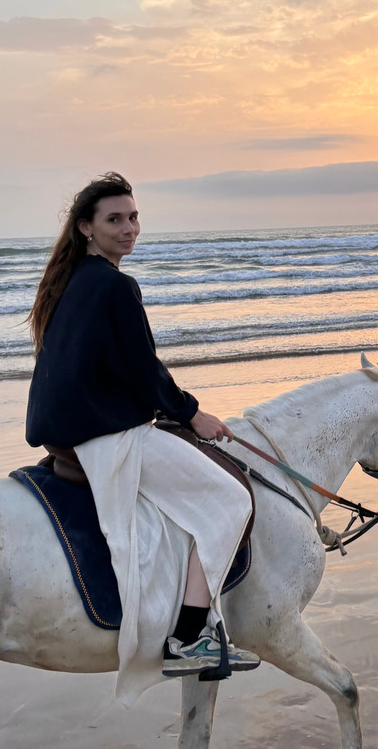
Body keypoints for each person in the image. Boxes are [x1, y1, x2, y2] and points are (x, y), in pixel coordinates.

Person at [25, 172, 259, 686]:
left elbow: (110, 368)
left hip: (65, 429)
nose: (129, 228)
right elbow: (143, 368)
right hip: (104, 435)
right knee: (232, 501)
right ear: (86, 227)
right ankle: (188, 638)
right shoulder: (113, 284)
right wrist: (190, 412)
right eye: (115, 220)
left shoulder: (70, 281)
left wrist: (163, 408)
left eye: (133, 217)